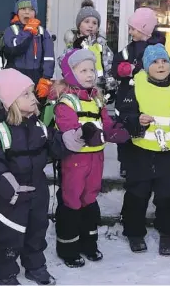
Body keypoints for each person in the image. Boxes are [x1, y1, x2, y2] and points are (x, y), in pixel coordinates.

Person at [0, 68, 85, 285]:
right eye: (26, 94)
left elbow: (56, 146)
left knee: (37, 230)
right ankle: (5, 274)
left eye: (32, 93)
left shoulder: (39, 126)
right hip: (11, 196)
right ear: (11, 101)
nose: (33, 98)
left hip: (38, 190)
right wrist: (12, 189)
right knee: (9, 236)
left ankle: (35, 265)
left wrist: (78, 136)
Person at [52, 49, 130, 268]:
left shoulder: (96, 99)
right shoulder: (66, 102)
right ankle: (68, 246)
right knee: (72, 200)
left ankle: (89, 242)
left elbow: (106, 123)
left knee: (90, 198)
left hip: (96, 158)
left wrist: (121, 130)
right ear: (70, 73)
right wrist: (91, 134)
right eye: (82, 70)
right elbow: (69, 128)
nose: (89, 74)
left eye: (92, 70)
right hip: (75, 161)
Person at [117, 43, 170, 255]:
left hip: (168, 154)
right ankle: (134, 232)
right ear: (145, 66)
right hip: (139, 152)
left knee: (168, 195)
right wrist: (136, 119)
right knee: (136, 194)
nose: (161, 66)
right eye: (155, 62)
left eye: (164, 61)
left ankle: (168, 233)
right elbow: (124, 114)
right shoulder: (135, 86)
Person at [112, 7, 164, 178]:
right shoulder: (128, 49)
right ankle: (125, 163)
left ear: (144, 29)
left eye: (133, 28)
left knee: (145, 128)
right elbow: (116, 66)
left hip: (148, 96)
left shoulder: (156, 48)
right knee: (125, 127)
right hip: (126, 95)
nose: (130, 32)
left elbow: (160, 68)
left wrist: (137, 69)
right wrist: (122, 69)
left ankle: (147, 160)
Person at [2, 0, 55, 102]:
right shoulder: (11, 30)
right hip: (16, 76)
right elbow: (14, 49)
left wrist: (46, 79)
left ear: (35, 13)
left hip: (37, 77)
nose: (27, 12)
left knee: (35, 111)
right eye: (23, 9)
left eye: (31, 9)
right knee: (17, 113)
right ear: (17, 11)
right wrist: (28, 32)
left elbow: (49, 58)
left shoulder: (43, 33)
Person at [60, 0, 117, 97]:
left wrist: (110, 86)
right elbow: (63, 62)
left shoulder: (101, 44)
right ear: (79, 25)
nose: (90, 25)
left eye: (94, 23)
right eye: (87, 22)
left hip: (98, 86)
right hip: (77, 86)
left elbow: (109, 65)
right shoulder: (73, 43)